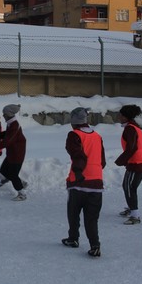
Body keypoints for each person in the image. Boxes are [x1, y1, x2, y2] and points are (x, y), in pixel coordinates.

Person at [62, 107, 106, 257]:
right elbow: (102, 160)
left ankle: (73, 238)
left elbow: (77, 155)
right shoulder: (97, 136)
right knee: (92, 218)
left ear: (74, 122)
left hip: (78, 182)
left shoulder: (74, 135)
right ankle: (95, 245)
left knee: (73, 213)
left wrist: (79, 171)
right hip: (96, 183)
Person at [115, 104, 142, 225]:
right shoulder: (133, 126)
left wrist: (120, 160)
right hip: (138, 162)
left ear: (125, 117)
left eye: (121, 114)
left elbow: (132, 148)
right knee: (129, 186)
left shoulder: (130, 128)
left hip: (137, 162)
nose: (119, 116)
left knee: (129, 187)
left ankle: (135, 216)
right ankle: (131, 208)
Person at [0, 104, 27, 201]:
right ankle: (22, 184)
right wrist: (0, 135)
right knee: (4, 170)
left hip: (17, 154)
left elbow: (8, 140)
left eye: (4, 114)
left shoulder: (14, 125)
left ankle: (22, 194)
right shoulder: (10, 124)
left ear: (8, 114)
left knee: (13, 174)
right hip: (12, 153)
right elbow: (8, 135)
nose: (3, 115)